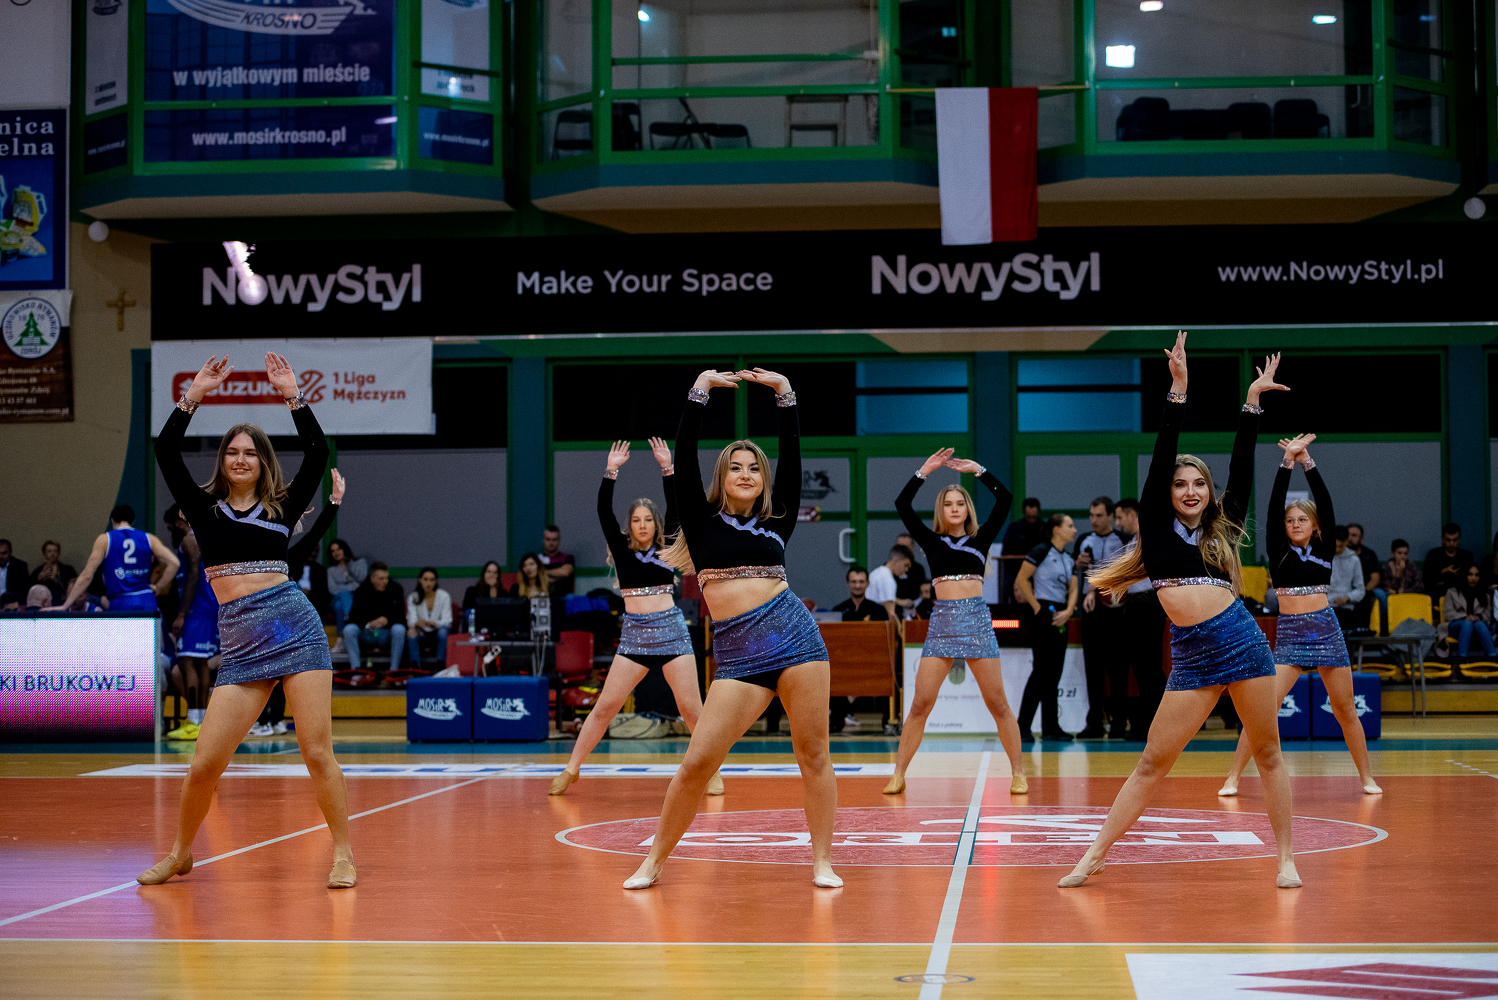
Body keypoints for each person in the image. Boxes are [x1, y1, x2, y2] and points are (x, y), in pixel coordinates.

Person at [1071, 334, 1299, 890]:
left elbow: (1242, 467)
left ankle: (1286, 858)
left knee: (1267, 753)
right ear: (1167, 491)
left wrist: (1252, 402)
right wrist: (1178, 391)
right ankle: (1094, 854)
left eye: (1199, 484)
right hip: (1193, 656)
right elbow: (1163, 452)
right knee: (1153, 761)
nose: (1191, 491)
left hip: (1242, 641)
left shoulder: (1225, 526)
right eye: (1181, 484)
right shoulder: (1154, 524)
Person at [139, 352, 354, 889]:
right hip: (240, 646)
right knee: (204, 764)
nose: (240, 459)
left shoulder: (283, 507)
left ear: (263, 462)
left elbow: (317, 451)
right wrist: (194, 396)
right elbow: (165, 450)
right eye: (232, 452)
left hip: (296, 631)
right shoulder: (202, 508)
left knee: (316, 751)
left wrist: (292, 396)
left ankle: (343, 854)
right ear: (223, 460)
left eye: (250, 453)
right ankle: (181, 853)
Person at [623, 367, 839, 891]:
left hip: (798, 641)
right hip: (740, 659)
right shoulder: (698, 520)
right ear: (722, 477)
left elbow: (792, 458)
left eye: (754, 468)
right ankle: (653, 862)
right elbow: (684, 453)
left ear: (764, 480)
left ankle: (822, 862)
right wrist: (699, 390)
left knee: (813, 755)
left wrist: (786, 394)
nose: (746, 474)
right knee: (697, 761)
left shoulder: (778, 520)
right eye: (736, 467)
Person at [550, 437, 725, 796]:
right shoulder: (621, 549)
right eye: (636, 520)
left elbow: (675, 507)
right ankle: (572, 768)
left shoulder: (667, 548)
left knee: (692, 709)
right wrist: (610, 472)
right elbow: (603, 511)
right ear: (629, 526)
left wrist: (667, 468)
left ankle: (712, 770)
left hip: (671, 631)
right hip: (635, 635)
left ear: (656, 524)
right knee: (605, 707)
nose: (642, 525)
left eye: (647, 519)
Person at [1219, 433, 1380, 798]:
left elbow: (1325, 501)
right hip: (1291, 633)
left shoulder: (1324, 548)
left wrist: (1307, 461)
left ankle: (1367, 777)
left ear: (1315, 525)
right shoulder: (1278, 549)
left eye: (1302, 519)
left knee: (1345, 708)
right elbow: (1275, 504)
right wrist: (1286, 462)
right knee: (1263, 709)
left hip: (1326, 630)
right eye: (1290, 520)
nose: (1294, 524)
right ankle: (1232, 777)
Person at [883, 448, 1026, 794]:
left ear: (967, 509)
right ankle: (898, 774)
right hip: (942, 624)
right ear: (941, 510)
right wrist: (925, 470)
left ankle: (1019, 773)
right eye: (948, 504)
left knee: (998, 704)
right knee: (920, 704)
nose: (954, 508)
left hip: (976, 621)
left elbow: (1005, 499)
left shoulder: (981, 539)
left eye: (960, 503)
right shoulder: (931, 541)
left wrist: (980, 471)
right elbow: (902, 505)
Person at [254, 472, 345, 738]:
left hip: (281, 622)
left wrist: (335, 500)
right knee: (266, 672)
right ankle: (267, 721)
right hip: (258, 620)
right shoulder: (250, 556)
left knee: (276, 672)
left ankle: (272, 721)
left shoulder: (289, 556)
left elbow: (317, 531)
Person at [1015, 513, 1079, 742]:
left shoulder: (1069, 558)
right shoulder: (1041, 550)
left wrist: (1069, 610)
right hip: (1043, 613)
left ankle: (1051, 728)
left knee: (1054, 674)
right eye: (1070, 525)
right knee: (1041, 672)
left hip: (1061, 615)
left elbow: (1074, 588)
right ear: (1056, 529)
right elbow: (1021, 578)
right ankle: (1022, 727)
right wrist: (1036, 606)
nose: (1074, 529)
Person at [53, 504, 179, 616]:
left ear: (112, 520)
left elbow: (87, 575)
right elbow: (174, 563)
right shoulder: (149, 538)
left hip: (121, 600)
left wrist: (65, 605)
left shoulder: (105, 539)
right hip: (146, 599)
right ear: (132, 521)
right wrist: (158, 587)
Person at [1074, 496, 1129, 740]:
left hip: (1117, 610)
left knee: (1118, 669)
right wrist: (1078, 563)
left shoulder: (1124, 540)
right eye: (1091, 515)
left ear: (1110, 517)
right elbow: (1075, 572)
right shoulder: (1083, 540)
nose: (1093, 520)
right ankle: (1094, 722)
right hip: (1091, 610)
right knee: (1093, 668)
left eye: (1099, 516)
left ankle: (1119, 722)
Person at [164, 504, 220, 741]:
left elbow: (193, 576)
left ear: (179, 522)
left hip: (196, 610)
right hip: (207, 607)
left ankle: (193, 722)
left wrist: (182, 614)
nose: (172, 530)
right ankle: (201, 721)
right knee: (200, 664)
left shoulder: (189, 539)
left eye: (172, 526)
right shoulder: (205, 537)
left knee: (188, 663)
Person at [1113, 498, 1167, 739]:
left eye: (1119, 517)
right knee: (1139, 666)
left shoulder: (1151, 538)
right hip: (1133, 604)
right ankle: (1148, 724)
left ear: (1132, 515)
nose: (1117, 523)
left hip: (1150, 602)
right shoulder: (1130, 544)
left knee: (1150, 667)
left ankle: (1159, 726)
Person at [343, 562, 406, 674]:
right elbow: (353, 617)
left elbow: (401, 617)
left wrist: (387, 620)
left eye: (386, 578)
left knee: (399, 629)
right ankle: (356, 670)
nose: (384, 581)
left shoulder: (396, 589)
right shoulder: (361, 591)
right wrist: (369, 622)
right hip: (367, 631)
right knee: (349, 630)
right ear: (372, 578)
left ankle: (394, 670)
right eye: (380, 579)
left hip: (386, 632)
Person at [1437, 563, 1496, 660]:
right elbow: (1448, 614)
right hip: (1454, 626)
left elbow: (1487, 617)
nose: (1473, 578)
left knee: (1479, 624)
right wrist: (1465, 617)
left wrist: (1477, 617)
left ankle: (1493, 658)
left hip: (1477, 626)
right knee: (1467, 623)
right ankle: (1462, 659)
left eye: (1477, 575)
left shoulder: (1485, 596)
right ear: (1465, 575)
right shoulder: (1452, 592)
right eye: (1470, 574)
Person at [403, 567, 453, 671]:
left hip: (437, 630)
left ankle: (440, 663)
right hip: (421, 631)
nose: (428, 583)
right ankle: (415, 666)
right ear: (420, 580)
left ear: (436, 581)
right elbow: (411, 619)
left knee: (443, 632)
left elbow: (447, 620)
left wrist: (435, 624)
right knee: (411, 632)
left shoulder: (444, 596)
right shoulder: (413, 597)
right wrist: (417, 623)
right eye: (425, 579)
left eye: (431, 580)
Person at [1000, 497, 1044, 601]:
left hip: (1040, 572)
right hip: (1017, 571)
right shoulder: (1014, 529)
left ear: (1038, 512)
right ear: (1024, 513)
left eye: (1034, 517)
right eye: (1029, 517)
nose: (1031, 520)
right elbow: (1006, 552)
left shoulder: (1044, 529)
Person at [1424, 524, 1474, 603]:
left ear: (1459, 540)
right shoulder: (1433, 555)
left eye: (1455, 540)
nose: (1451, 543)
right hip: (1437, 596)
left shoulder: (1466, 556)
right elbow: (1426, 579)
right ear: (1443, 539)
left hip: (1461, 597)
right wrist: (1443, 571)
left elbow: (1470, 580)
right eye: (1448, 540)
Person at [1327, 526, 1366, 630]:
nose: (1336, 549)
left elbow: (1360, 590)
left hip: (1346, 609)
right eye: (1334, 546)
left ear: (1346, 542)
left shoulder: (1354, 560)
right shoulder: (1322, 558)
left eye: (1340, 546)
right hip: (1325, 608)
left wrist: (1347, 597)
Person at [325, 539, 366, 635]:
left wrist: (349, 564)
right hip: (339, 596)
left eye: (338, 549)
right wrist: (352, 586)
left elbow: (361, 579)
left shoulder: (359, 562)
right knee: (344, 595)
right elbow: (333, 589)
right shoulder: (331, 570)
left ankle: (341, 636)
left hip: (358, 597)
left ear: (344, 549)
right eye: (333, 551)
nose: (336, 553)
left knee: (338, 605)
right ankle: (348, 617)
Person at [867, 544, 913, 620]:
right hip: (877, 622)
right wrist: (900, 627)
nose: (906, 570)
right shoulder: (888, 579)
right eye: (906, 565)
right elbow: (891, 614)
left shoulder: (876, 573)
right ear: (895, 560)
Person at [28, 540, 76, 605]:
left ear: (58, 553)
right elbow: (29, 590)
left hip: (63, 602)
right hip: (43, 603)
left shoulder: (68, 570)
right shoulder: (38, 571)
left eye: (55, 551)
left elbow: (73, 588)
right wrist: (39, 579)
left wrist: (56, 580)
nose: (52, 554)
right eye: (49, 551)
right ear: (44, 553)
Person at [893, 532, 928, 607]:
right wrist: (899, 601)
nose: (903, 551)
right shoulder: (888, 570)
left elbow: (924, 591)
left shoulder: (918, 569)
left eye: (906, 547)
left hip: (915, 609)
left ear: (913, 547)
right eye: (900, 547)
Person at [539, 525, 576, 597]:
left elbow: (565, 572)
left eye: (554, 540)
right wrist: (557, 575)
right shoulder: (538, 559)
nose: (551, 543)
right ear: (543, 540)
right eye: (548, 539)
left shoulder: (567, 558)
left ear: (558, 541)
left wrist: (543, 572)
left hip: (563, 597)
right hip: (542, 596)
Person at [0, 539, 29, 608]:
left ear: (10, 552)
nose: (0, 557)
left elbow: (24, 591)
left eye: (4, 553)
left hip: (11, 605)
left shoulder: (20, 566)